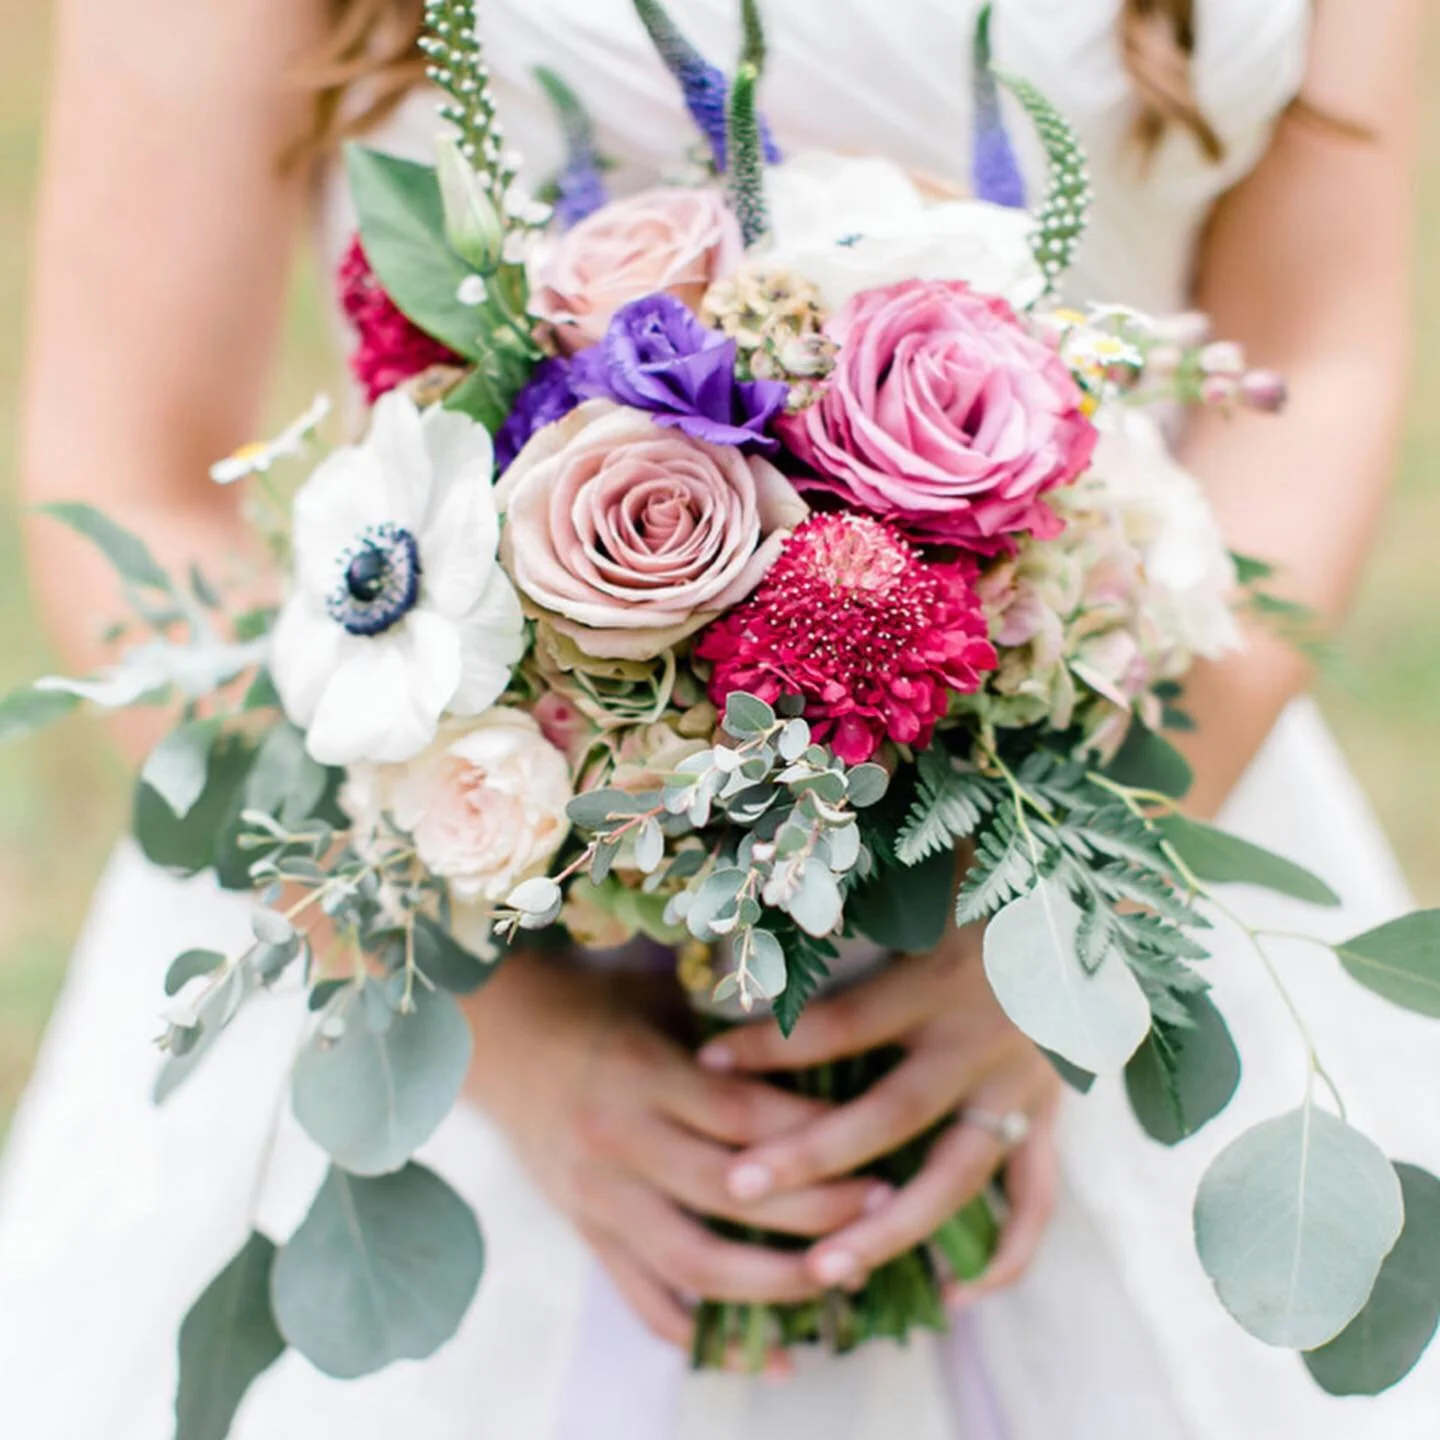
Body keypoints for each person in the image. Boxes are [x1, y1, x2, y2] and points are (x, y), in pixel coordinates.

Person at [2, 0, 1434, 1435]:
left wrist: (1068, 956)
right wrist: (512, 1047)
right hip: (433, 898)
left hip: (1104, 805)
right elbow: (134, 468)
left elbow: (1316, 359)